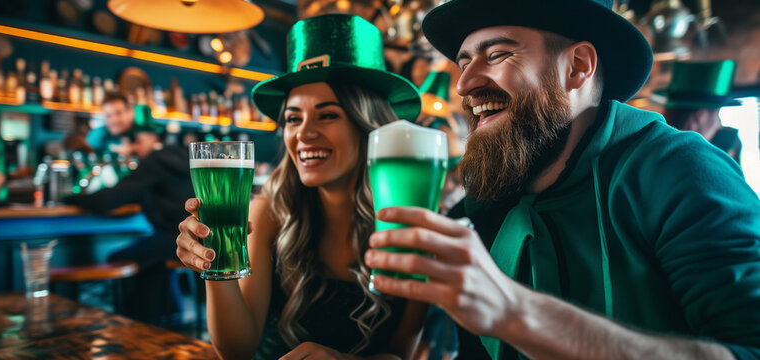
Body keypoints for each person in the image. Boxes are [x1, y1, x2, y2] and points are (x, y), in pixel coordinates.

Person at [363, 0, 760, 359]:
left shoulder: (680, 169)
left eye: (498, 54)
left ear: (578, 66)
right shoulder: (485, 203)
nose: (465, 84)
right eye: (464, 63)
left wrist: (515, 313)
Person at [175, 14, 427, 359]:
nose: (304, 134)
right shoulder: (267, 213)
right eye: (293, 118)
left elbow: (403, 354)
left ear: (369, 126)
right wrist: (212, 265)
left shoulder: (413, 224)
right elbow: (236, 351)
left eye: (327, 115)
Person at [65, 125, 193, 323]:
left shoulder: (153, 161)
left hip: (175, 238)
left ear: (152, 138)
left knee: (118, 257)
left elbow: (111, 199)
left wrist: (71, 199)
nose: (133, 148)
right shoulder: (179, 157)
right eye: (130, 142)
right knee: (152, 264)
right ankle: (164, 319)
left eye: (137, 142)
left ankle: (130, 323)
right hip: (192, 235)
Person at [655, 60, 743, 163]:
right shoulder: (697, 164)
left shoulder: (656, 149)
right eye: (718, 116)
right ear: (700, 116)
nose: (719, 125)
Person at [87, 91, 135, 157]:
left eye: (118, 113)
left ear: (130, 112)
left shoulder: (141, 132)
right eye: (108, 115)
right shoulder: (97, 135)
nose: (114, 120)